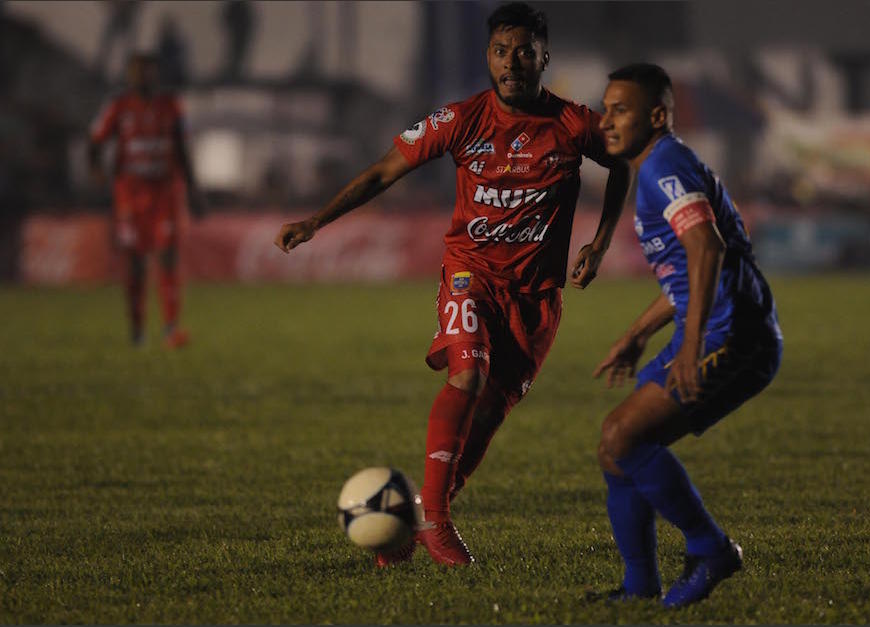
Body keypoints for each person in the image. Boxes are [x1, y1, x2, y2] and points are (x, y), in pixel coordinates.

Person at [276, 2, 630, 567]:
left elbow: (621, 163)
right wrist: (316, 221)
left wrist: (600, 241)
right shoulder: (461, 119)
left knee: (489, 414)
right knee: (469, 375)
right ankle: (437, 523)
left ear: (544, 57)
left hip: (536, 299)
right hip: (471, 276)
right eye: (499, 51)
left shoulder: (573, 124)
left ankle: (416, 517)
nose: (510, 62)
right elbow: (382, 173)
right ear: (488, 58)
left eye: (522, 51)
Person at [590, 63, 783, 607]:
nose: (606, 120)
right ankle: (638, 588)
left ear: (657, 115)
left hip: (730, 333)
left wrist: (692, 343)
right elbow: (685, 271)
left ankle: (712, 549)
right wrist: (637, 334)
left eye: (619, 109)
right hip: (718, 324)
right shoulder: (659, 164)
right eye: (605, 109)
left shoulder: (664, 164)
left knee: (625, 436)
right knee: (615, 448)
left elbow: (707, 249)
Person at [88, 52, 206, 348]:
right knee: (136, 261)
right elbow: (95, 143)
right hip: (130, 194)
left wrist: (193, 188)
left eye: (149, 71)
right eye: (138, 71)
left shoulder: (172, 106)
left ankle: (171, 328)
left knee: (168, 255)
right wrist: (97, 171)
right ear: (129, 75)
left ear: (156, 74)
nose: (143, 77)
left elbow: (183, 148)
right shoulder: (118, 106)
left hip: (166, 192)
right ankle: (138, 329)